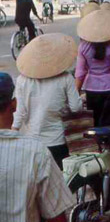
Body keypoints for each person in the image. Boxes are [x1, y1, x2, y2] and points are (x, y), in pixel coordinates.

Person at [0, 72, 75, 222]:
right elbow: (56, 215)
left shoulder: (22, 79)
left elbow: (21, 116)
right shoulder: (36, 153)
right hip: (55, 141)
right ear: (13, 104)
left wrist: (14, 130)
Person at [12, 33, 82, 169]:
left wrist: (13, 133)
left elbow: (20, 112)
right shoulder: (65, 78)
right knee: (60, 183)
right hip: (57, 141)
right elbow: (76, 107)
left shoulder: (22, 80)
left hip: (32, 141)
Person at [75, 9, 110, 127]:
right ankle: (107, 144)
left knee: (94, 122)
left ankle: (97, 144)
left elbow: (80, 73)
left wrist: (75, 92)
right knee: (108, 124)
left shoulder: (83, 47)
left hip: (91, 89)